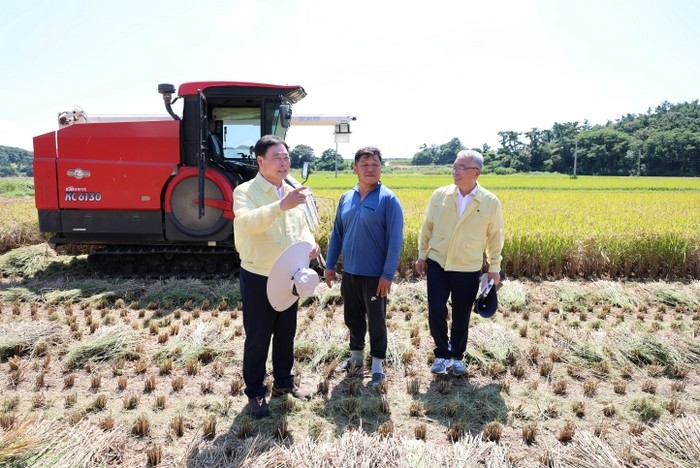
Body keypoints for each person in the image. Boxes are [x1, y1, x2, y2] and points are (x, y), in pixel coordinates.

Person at [233, 135, 320, 418]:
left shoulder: (292, 191)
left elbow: (302, 227)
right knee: (258, 337)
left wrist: (311, 244)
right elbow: (247, 223)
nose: (284, 163)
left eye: (286, 157)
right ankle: (255, 392)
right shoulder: (245, 192)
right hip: (259, 275)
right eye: (277, 158)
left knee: (286, 333)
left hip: (290, 275)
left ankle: (284, 382)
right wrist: (281, 205)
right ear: (260, 161)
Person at [415, 150, 504, 376]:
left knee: (461, 315)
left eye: (462, 168)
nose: (456, 171)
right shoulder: (440, 195)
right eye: (454, 166)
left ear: (477, 173)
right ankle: (442, 354)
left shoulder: (490, 202)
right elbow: (427, 226)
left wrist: (494, 268)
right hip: (438, 263)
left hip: (468, 267)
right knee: (436, 309)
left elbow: (495, 237)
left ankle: (456, 357)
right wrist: (422, 255)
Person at [324, 146, 404, 388]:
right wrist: (330, 264)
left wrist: (387, 274)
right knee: (352, 317)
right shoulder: (346, 198)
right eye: (365, 165)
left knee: (376, 320)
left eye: (375, 164)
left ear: (381, 168)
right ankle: (356, 357)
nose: (370, 169)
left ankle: (378, 364)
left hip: (375, 275)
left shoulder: (388, 200)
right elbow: (337, 233)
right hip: (350, 272)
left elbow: (395, 241)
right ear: (355, 169)